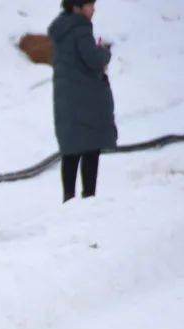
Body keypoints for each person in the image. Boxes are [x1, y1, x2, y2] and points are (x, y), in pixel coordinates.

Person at [49, 0, 116, 202]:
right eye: (89, 4)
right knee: (90, 147)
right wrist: (104, 51)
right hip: (86, 99)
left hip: (67, 99)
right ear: (77, 7)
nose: (93, 8)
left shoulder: (62, 28)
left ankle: (68, 198)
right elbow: (93, 60)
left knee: (71, 150)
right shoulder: (80, 28)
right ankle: (89, 197)